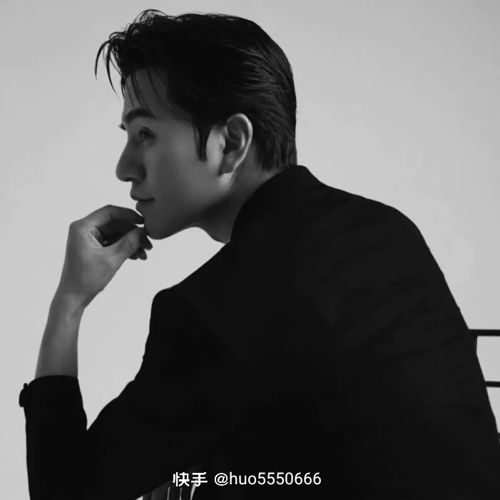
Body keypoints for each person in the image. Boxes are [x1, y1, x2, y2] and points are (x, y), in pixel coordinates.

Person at [18, 9, 500, 500]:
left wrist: (69, 302)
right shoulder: (388, 230)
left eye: (145, 135)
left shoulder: (214, 311)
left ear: (231, 143)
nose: (124, 168)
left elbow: (67, 493)